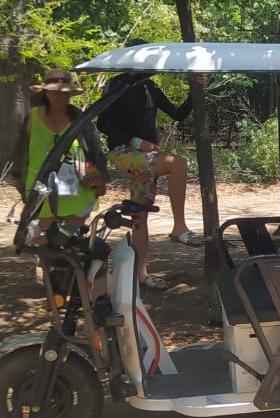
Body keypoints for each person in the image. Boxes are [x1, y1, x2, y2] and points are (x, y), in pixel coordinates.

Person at [96, 38, 202, 290]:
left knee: (139, 216)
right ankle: (179, 227)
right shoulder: (117, 84)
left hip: (145, 160)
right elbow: (103, 123)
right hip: (124, 153)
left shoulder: (150, 87)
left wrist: (195, 91)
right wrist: (135, 141)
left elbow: (178, 114)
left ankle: (141, 276)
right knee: (177, 164)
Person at [13, 69, 107, 227]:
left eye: (65, 93)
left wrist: (100, 179)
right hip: (40, 185)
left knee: (69, 239)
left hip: (76, 187)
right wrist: (19, 181)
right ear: (46, 93)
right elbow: (21, 152)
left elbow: (93, 152)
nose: (61, 96)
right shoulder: (33, 118)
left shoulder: (79, 118)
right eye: (55, 92)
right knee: (41, 241)